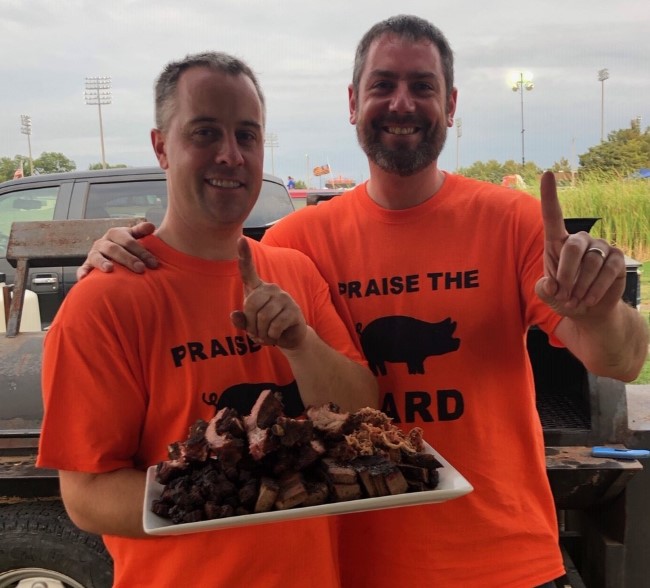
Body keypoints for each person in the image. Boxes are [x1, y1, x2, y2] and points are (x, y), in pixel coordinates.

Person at [77, 16, 649, 588]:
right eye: (382, 85)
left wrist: (599, 310)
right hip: (355, 567)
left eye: (423, 86)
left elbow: (621, 361)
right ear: (353, 102)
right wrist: (120, 255)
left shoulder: (511, 221)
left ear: (451, 106)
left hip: (504, 560)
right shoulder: (293, 247)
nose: (402, 103)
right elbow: (210, 262)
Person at [37, 51, 378, 588]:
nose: (231, 155)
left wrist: (299, 343)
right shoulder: (103, 302)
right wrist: (240, 493)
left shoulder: (295, 271)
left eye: (247, 135)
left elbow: (363, 413)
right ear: (161, 147)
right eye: (204, 133)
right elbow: (87, 496)